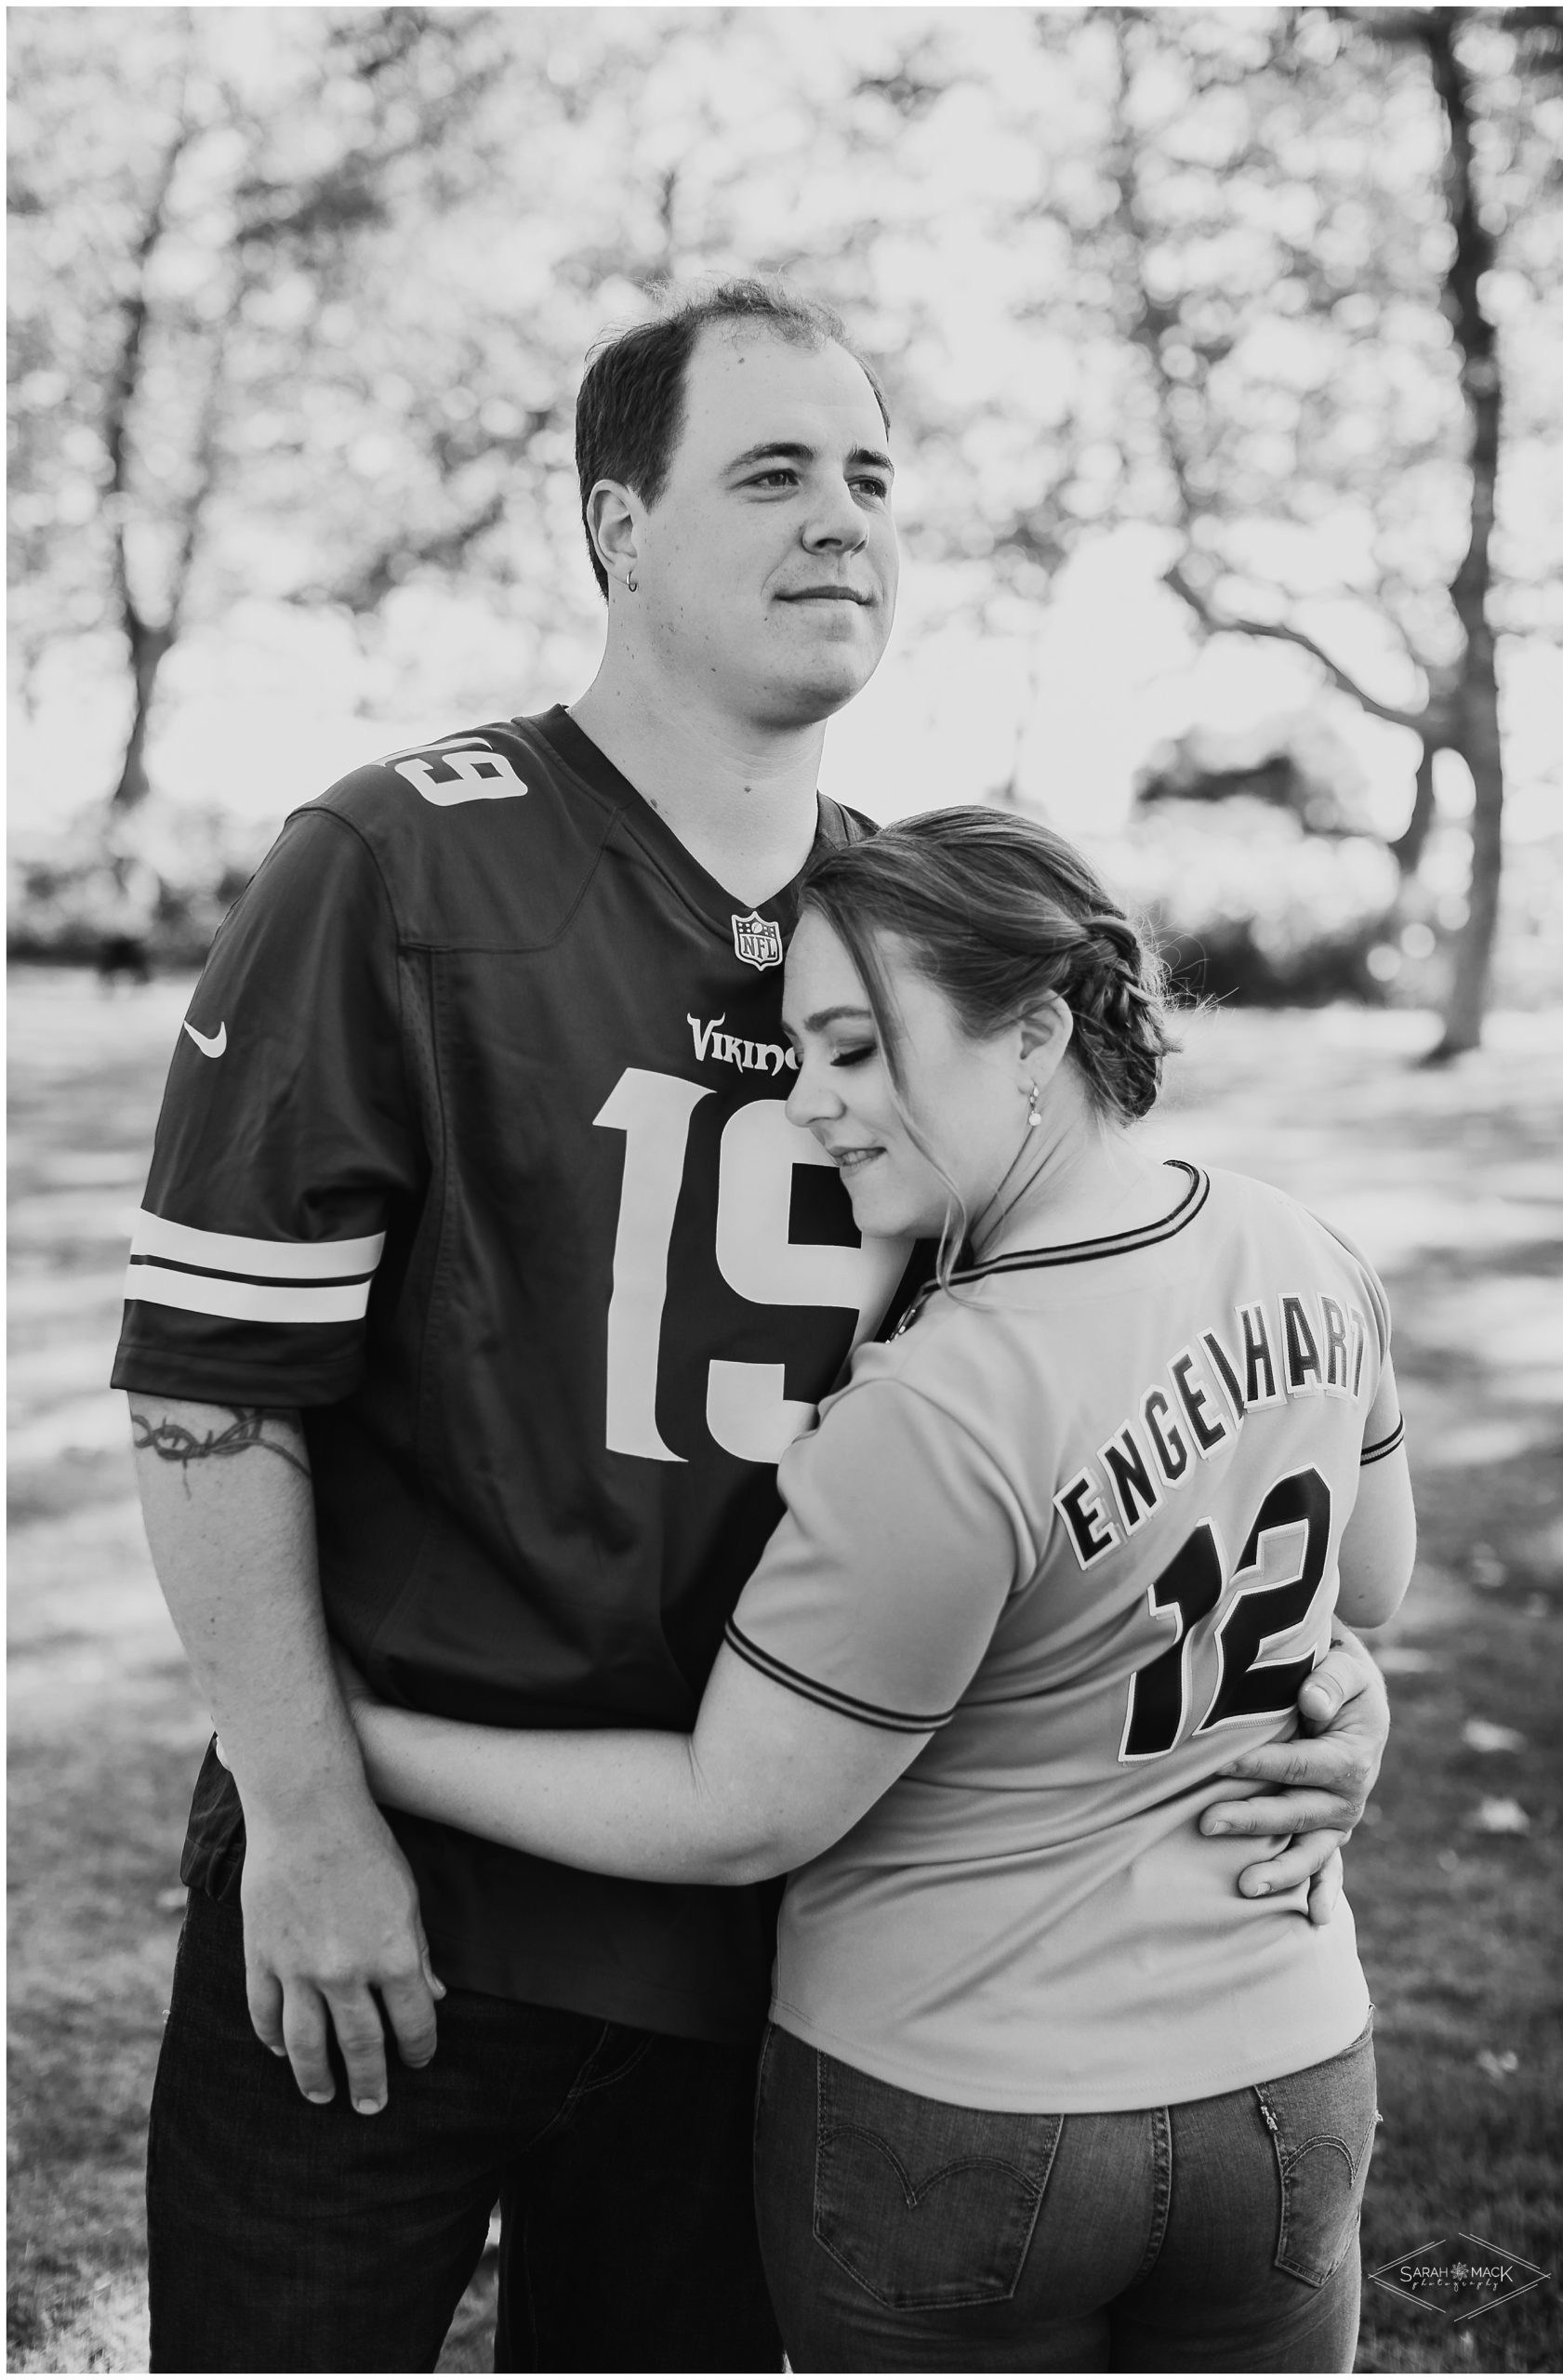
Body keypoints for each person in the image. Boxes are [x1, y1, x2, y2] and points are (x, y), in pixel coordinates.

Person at [114, 284, 1391, 2373]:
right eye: (774, 472)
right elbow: (205, 1394)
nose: (844, 524)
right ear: (616, 529)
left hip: (780, 1933)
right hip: (401, 1903)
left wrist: (1312, 1667)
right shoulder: (400, 858)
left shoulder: (921, 933)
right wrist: (315, 1814)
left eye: (874, 478)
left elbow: (1124, 1352)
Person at [334, 808, 1415, 2372]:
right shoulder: (1306, 1247)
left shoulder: (941, 1403)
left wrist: (349, 1740)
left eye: (854, 1051)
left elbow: (744, 1811)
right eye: (796, 1059)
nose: (811, 1110)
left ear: (1036, 1033)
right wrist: (1344, 1698)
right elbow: (1366, 1587)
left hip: (971, 2116)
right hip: (1293, 2076)